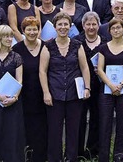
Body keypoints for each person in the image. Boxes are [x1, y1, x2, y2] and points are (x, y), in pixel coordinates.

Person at [39, 12, 92, 161]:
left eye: (65, 24)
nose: (63, 27)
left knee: (73, 130)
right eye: (60, 24)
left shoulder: (77, 45)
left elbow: (85, 68)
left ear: (70, 26)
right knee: (54, 131)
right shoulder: (48, 46)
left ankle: (71, 158)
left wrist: (87, 87)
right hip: (54, 95)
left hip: (74, 95)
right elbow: (42, 71)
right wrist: (46, 93)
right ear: (55, 27)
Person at [96, 18, 123, 161]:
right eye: (113, 28)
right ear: (109, 31)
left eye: (119, 28)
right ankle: (103, 156)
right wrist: (111, 85)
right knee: (105, 122)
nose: (116, 30)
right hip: (106, 91)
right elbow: (100, 69)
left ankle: (120, 155)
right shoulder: (103, 47)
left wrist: (120, 85)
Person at [0, 25, 26, 162]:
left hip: (13, 102)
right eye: (6, 36)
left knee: (12, 135)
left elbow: (20, 80)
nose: (9, 39)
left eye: (10, 36)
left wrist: (15, 97)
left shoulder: (16, 57)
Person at [12, 17, 47, 161]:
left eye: (35, 29)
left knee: (41, 128)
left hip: (42, 95)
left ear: (39, 31)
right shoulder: (16, 49)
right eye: (29, 29)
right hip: (24, 96)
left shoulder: (46, 47)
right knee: (25, 127)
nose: (32, 32)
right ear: (23, 31)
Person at [74, 12, 106, 159]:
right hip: (81, 86)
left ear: (98, 25)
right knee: (79, 118)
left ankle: (93, 150)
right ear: (83, 25)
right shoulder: (76, 41)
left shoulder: (106, 42)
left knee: (97, 118)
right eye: (88, 24)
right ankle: (79, 152)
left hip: (100, 86)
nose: (91, 27)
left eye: (94, 24)